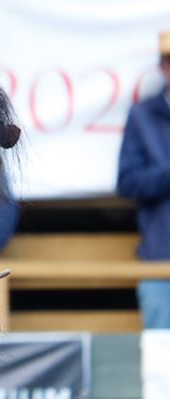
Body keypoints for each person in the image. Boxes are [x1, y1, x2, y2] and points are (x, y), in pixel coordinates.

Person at [117, 29, 170, 329]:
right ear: (163, 66)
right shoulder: (142, 115)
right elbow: (128, 183)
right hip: (161, 257)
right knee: (163, 358)